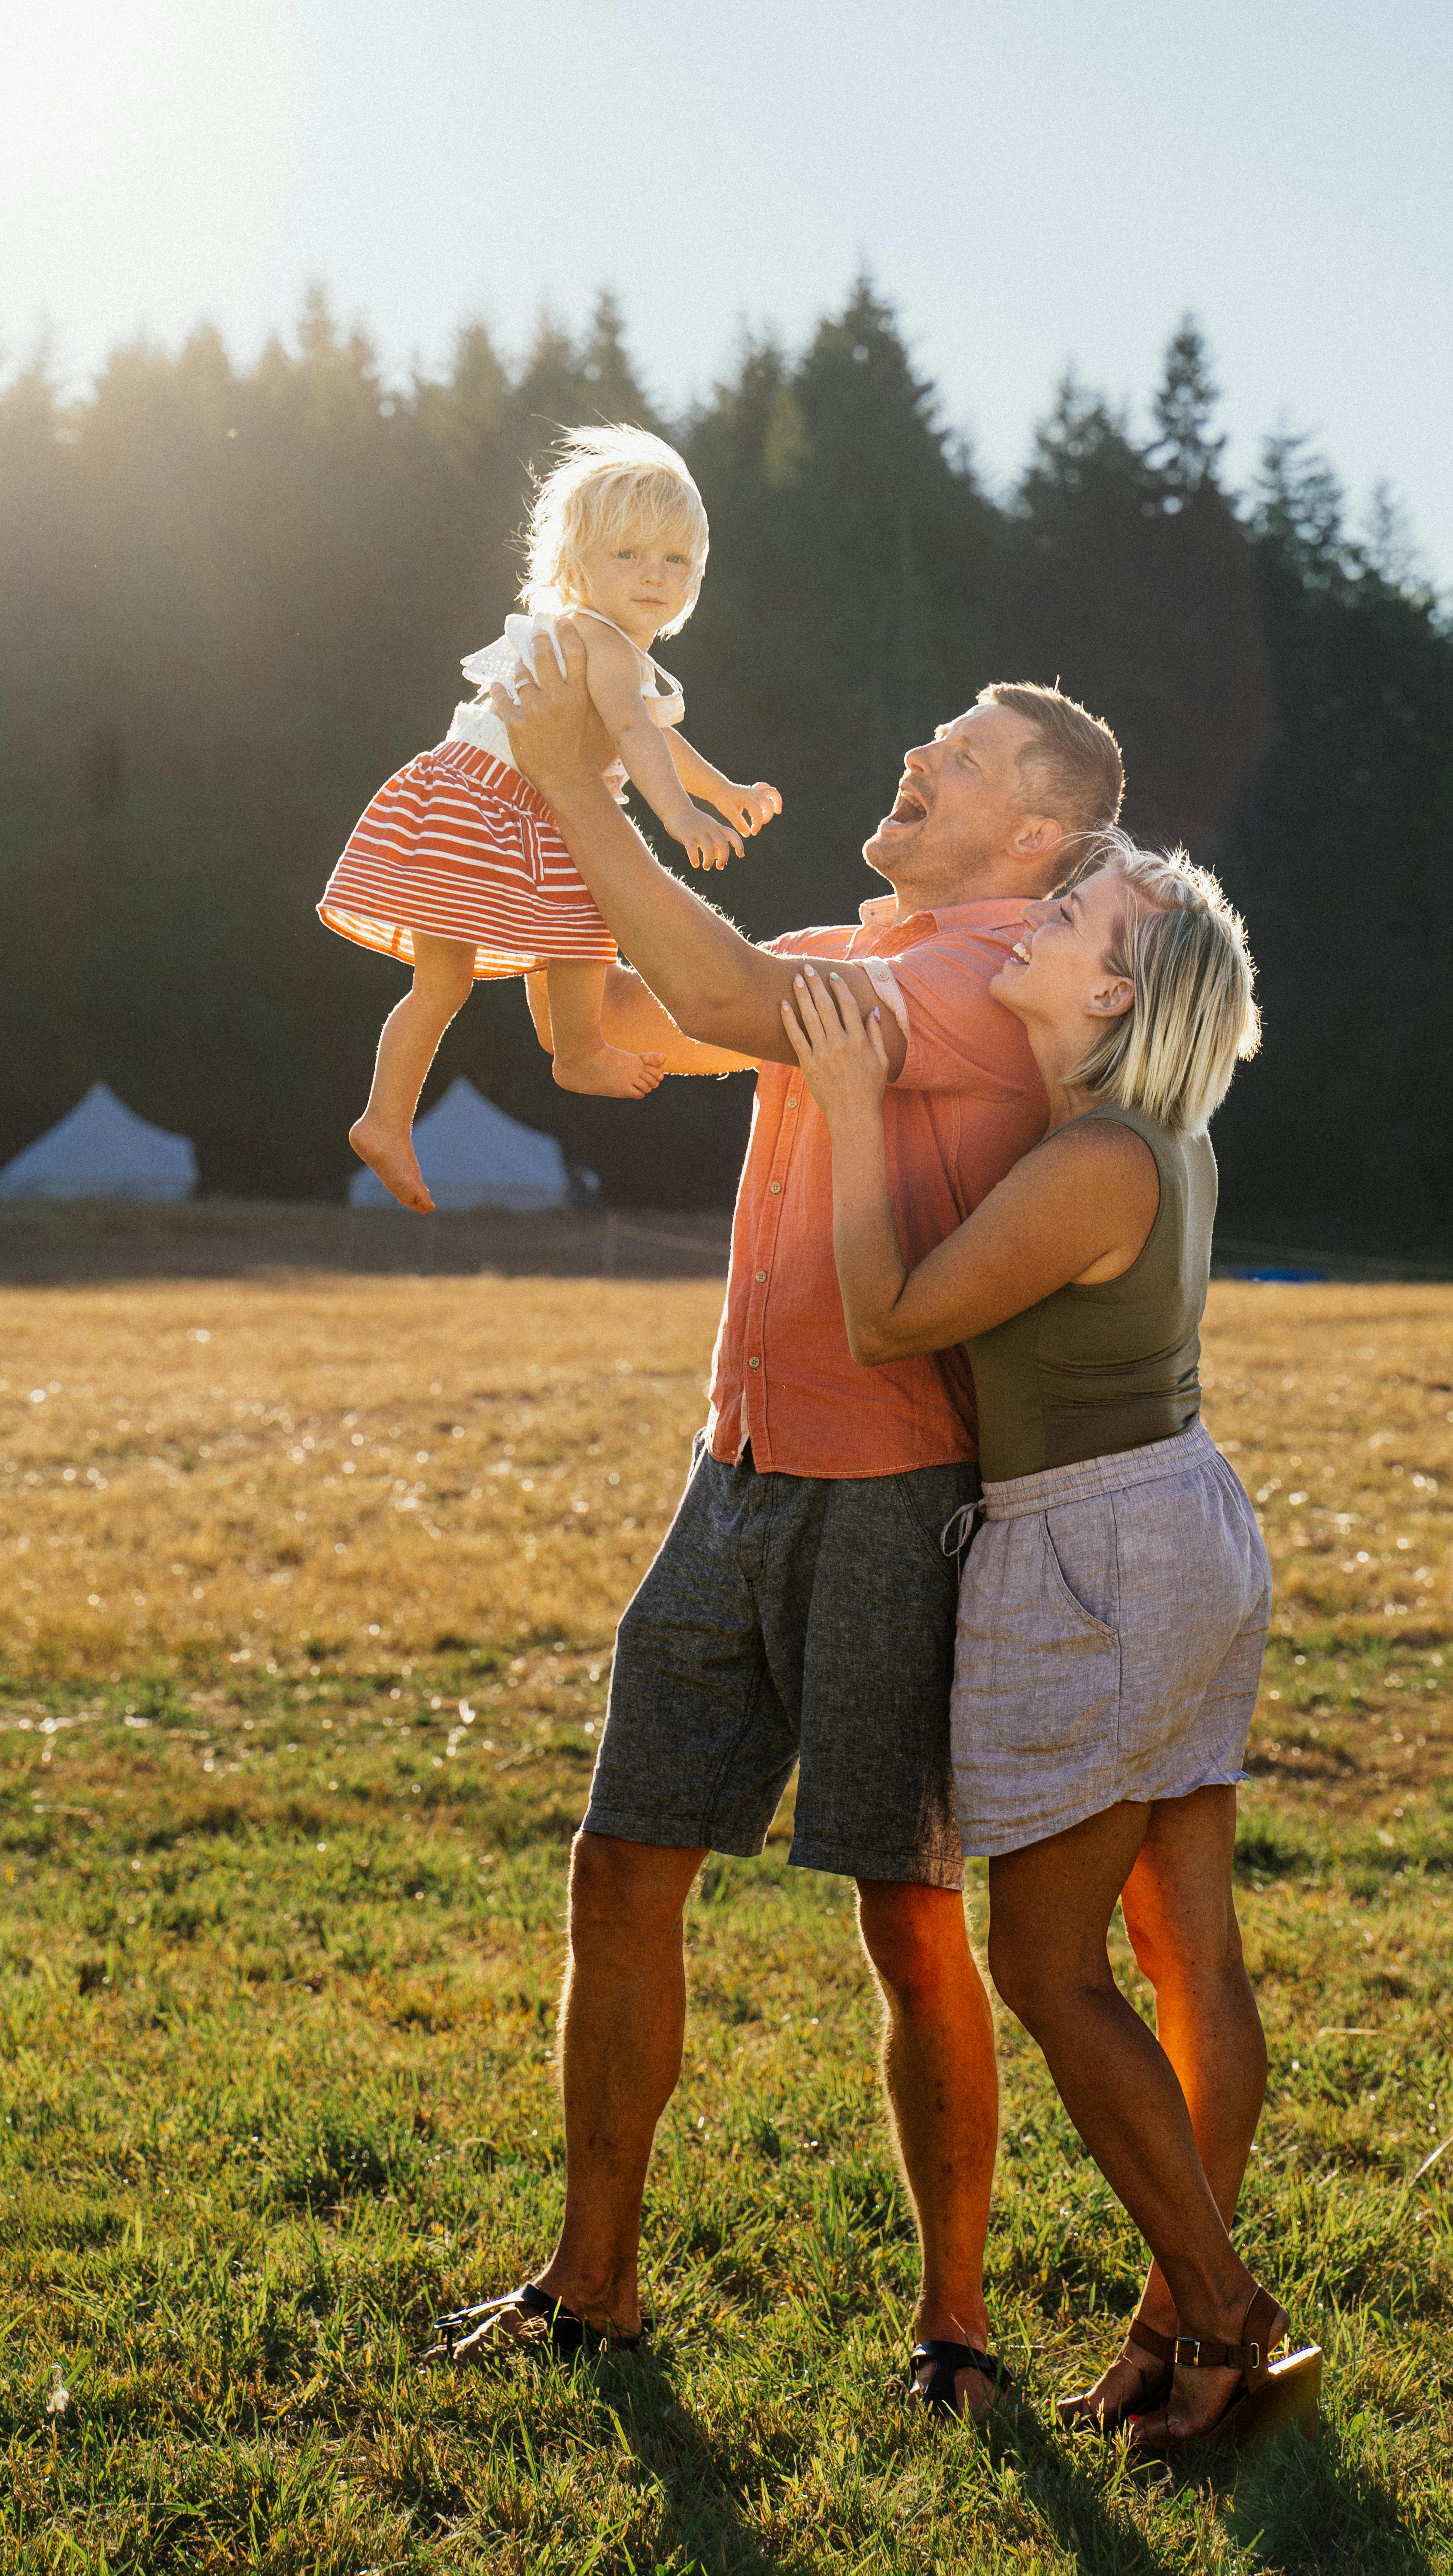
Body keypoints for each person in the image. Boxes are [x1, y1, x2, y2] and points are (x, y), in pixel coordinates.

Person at [428, 621, 1124, 2418]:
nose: (922, 753)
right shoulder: (844, 950)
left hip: (898, 1494)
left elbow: (727, 1001)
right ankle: (593, 2286)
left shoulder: (987, 974)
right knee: (619, 1863)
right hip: (729, 1472)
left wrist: (586, 784)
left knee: (904, 1912)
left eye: (965, 753)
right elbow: (605, 1042)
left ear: (1036, 838)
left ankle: (955, 2333)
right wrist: (525, 816)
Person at [779, 837, 1322, 2455]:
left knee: (1044, 1965)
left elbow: (890, 1316)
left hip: (1091, 1550)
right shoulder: (1166, 1144)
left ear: (1113, 991)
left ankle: (1223, 2317)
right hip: (1178, 1525)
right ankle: (1180, 2329)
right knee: (1193, 1960)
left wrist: (855, 1105)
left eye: (1074, 914)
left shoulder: (1098, 1155)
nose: (1042, 914)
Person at [318, 427, 781, 1211]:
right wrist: (679, 818)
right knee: (590, 915)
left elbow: (657, 732)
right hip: (507, 807)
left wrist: (722, 789)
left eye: (674, 561)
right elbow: (636, 736)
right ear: (574, 566)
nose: (654, 576)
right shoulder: (599, 641)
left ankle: (384, 1119)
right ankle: (579, 1050)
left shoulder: (596, 644)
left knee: (439, 984)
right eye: (629, 556)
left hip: (458, 798)